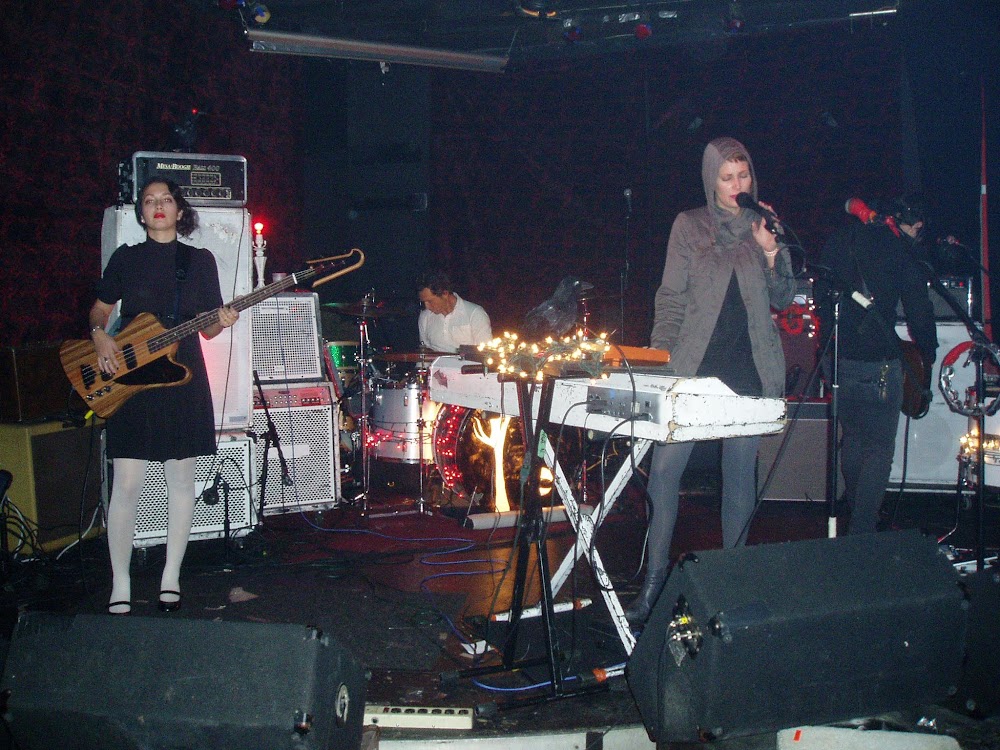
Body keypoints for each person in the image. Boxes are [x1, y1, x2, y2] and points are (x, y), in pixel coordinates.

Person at [626, 137, 795, 628]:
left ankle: (731, 585)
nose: (737, 185)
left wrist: (771, 251)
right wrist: (661, 363)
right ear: (711, 180)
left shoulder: (762, 225)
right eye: (727, 177)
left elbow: (784, 298)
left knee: (740, 478)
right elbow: (670, 298)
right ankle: (654, 581)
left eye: (743, 175)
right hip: (693, 367)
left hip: (748, 370)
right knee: (664, 472)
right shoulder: (690, 225)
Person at [89, 177, 239, 615]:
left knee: (181, 481)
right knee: (127, 482)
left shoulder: (199, 261)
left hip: (182, 375)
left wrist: (222, 320)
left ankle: (171, 576)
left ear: (179, 210)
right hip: (134, 375)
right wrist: (99, 334)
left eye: (166, 199)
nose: (158, 206)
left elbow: (208, 329)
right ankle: (120, 581)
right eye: (150, 200)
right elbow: (101, 307)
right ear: (141, 213)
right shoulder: (126, 257)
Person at [816, 192, 937, 535]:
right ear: (916, 224)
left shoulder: (841, 239)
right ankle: (863, 530)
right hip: (878, 365)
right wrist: (927, 355)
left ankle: (859, 519)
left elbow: (821, 297)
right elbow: (919, 310)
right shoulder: (900, 248)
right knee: (878, 448)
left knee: (853, 439)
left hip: (838, 359)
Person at [417, 269, 492, 353]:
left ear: (445, 293)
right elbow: (424, 353)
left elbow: (485, 353)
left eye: (430, 301)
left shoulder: (475, 314)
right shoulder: (425, 316)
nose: (427, 306)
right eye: (423, 302)